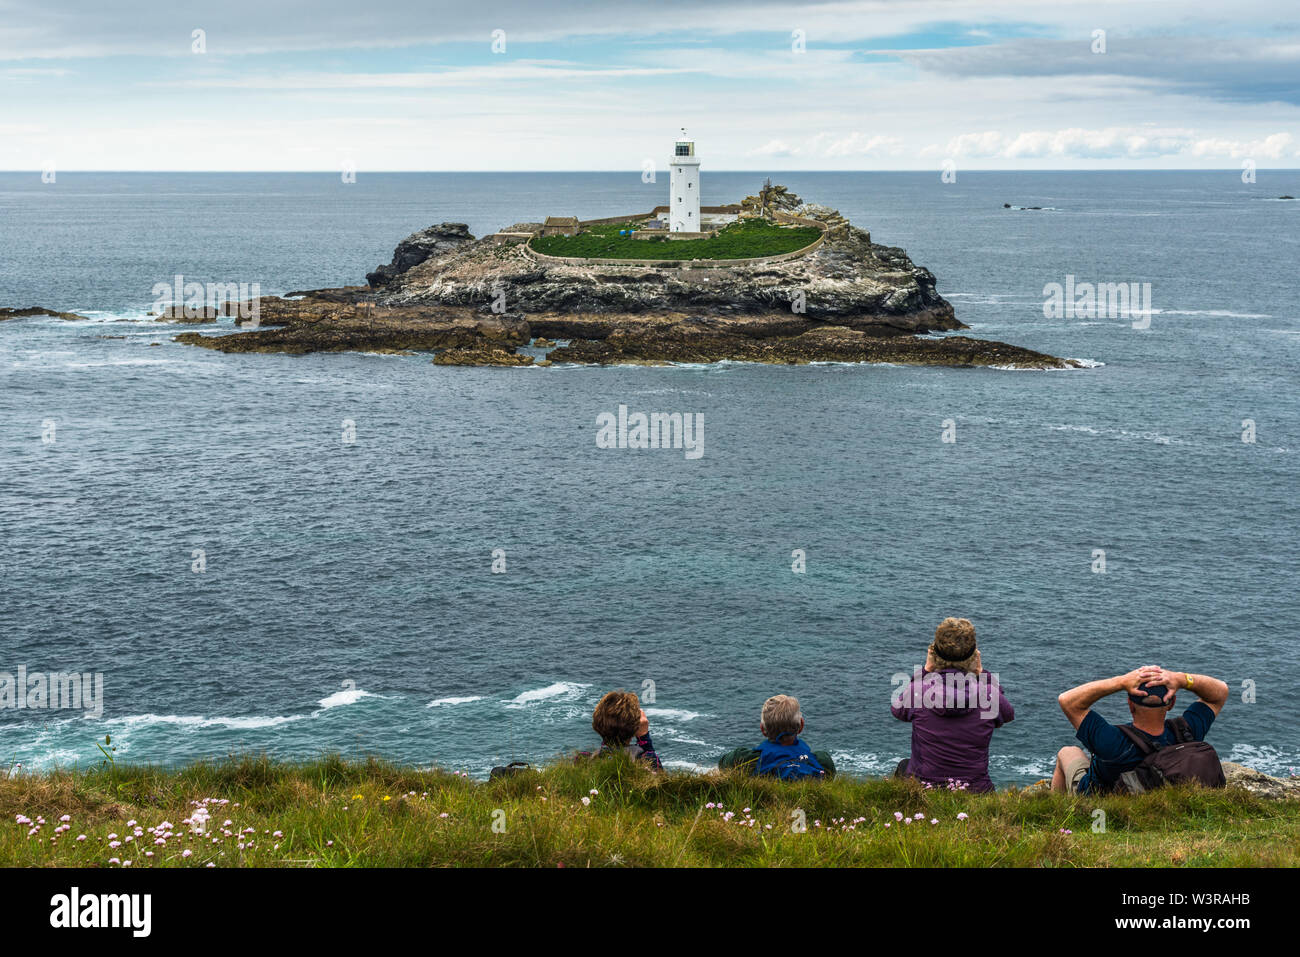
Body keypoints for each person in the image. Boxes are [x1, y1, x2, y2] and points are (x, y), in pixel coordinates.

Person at [1052, 665, 1228, 793]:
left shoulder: (1112, 741)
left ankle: (1056, 819)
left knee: (1068, 752)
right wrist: (1181, 679)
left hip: (1100, 806)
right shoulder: (1186, 732)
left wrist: (1120, 682)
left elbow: (1067, 700)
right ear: (1171, 704)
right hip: (1154, 798)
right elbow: (1220, 692)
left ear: (1130, 705)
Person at [891, 617, 1013, 792]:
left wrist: (926, 670)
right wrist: (981, 673)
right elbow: (1007, 715)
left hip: (924, 789)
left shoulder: (918, 690)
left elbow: (898, 711)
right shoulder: (989, 694)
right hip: (975, 790)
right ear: (974, 656)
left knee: (904, 766)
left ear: (934, 653)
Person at [718, 694, 835, 779]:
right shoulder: (822, 762)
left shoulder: (744, 759)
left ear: (763, 729)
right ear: (801, 726)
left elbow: (722, 764)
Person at [587, 689, 662, 770]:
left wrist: (606, 729)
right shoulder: (642, 761)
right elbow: (659, 774)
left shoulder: (583, 759)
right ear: (636, 727)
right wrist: (644, 737)